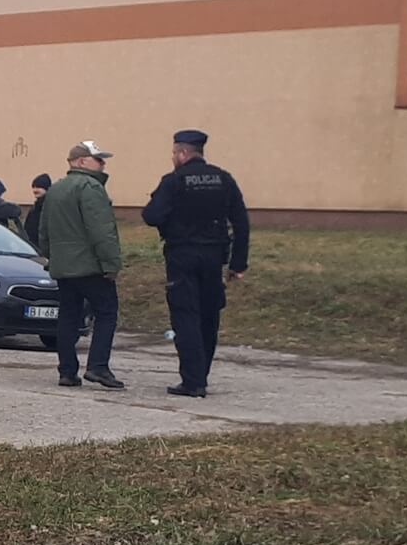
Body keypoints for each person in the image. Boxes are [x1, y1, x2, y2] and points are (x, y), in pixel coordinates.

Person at [142, 129, 250, 398]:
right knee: (209, 316)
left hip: (182, 256)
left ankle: (193, 381)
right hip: (214, 258)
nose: (173, 158)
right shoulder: (223, 179)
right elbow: (241, 222)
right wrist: (238, 264)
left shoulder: (174, 181)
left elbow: (151, 216)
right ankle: (202, 375)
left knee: (185, 316)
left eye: (174, 153)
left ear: (182, 153)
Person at [37, 141, 124, 389]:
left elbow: (43, 230)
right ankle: (98, 366)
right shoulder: (91, 187)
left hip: (63, 266)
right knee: (106, 312)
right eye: (99, 159)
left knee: (68, 316)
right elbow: (101, 230)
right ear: (82, 161)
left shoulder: (56, 189)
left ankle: (67, 371)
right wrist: (111, 264)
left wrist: (51, 257)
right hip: (90, 265)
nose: (103, 165)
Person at [22, 173, 52, 250]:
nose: (35, 190)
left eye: (38, 187)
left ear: (47, 188)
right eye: (34, 187)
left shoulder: (50, 206)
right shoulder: (35, 207)